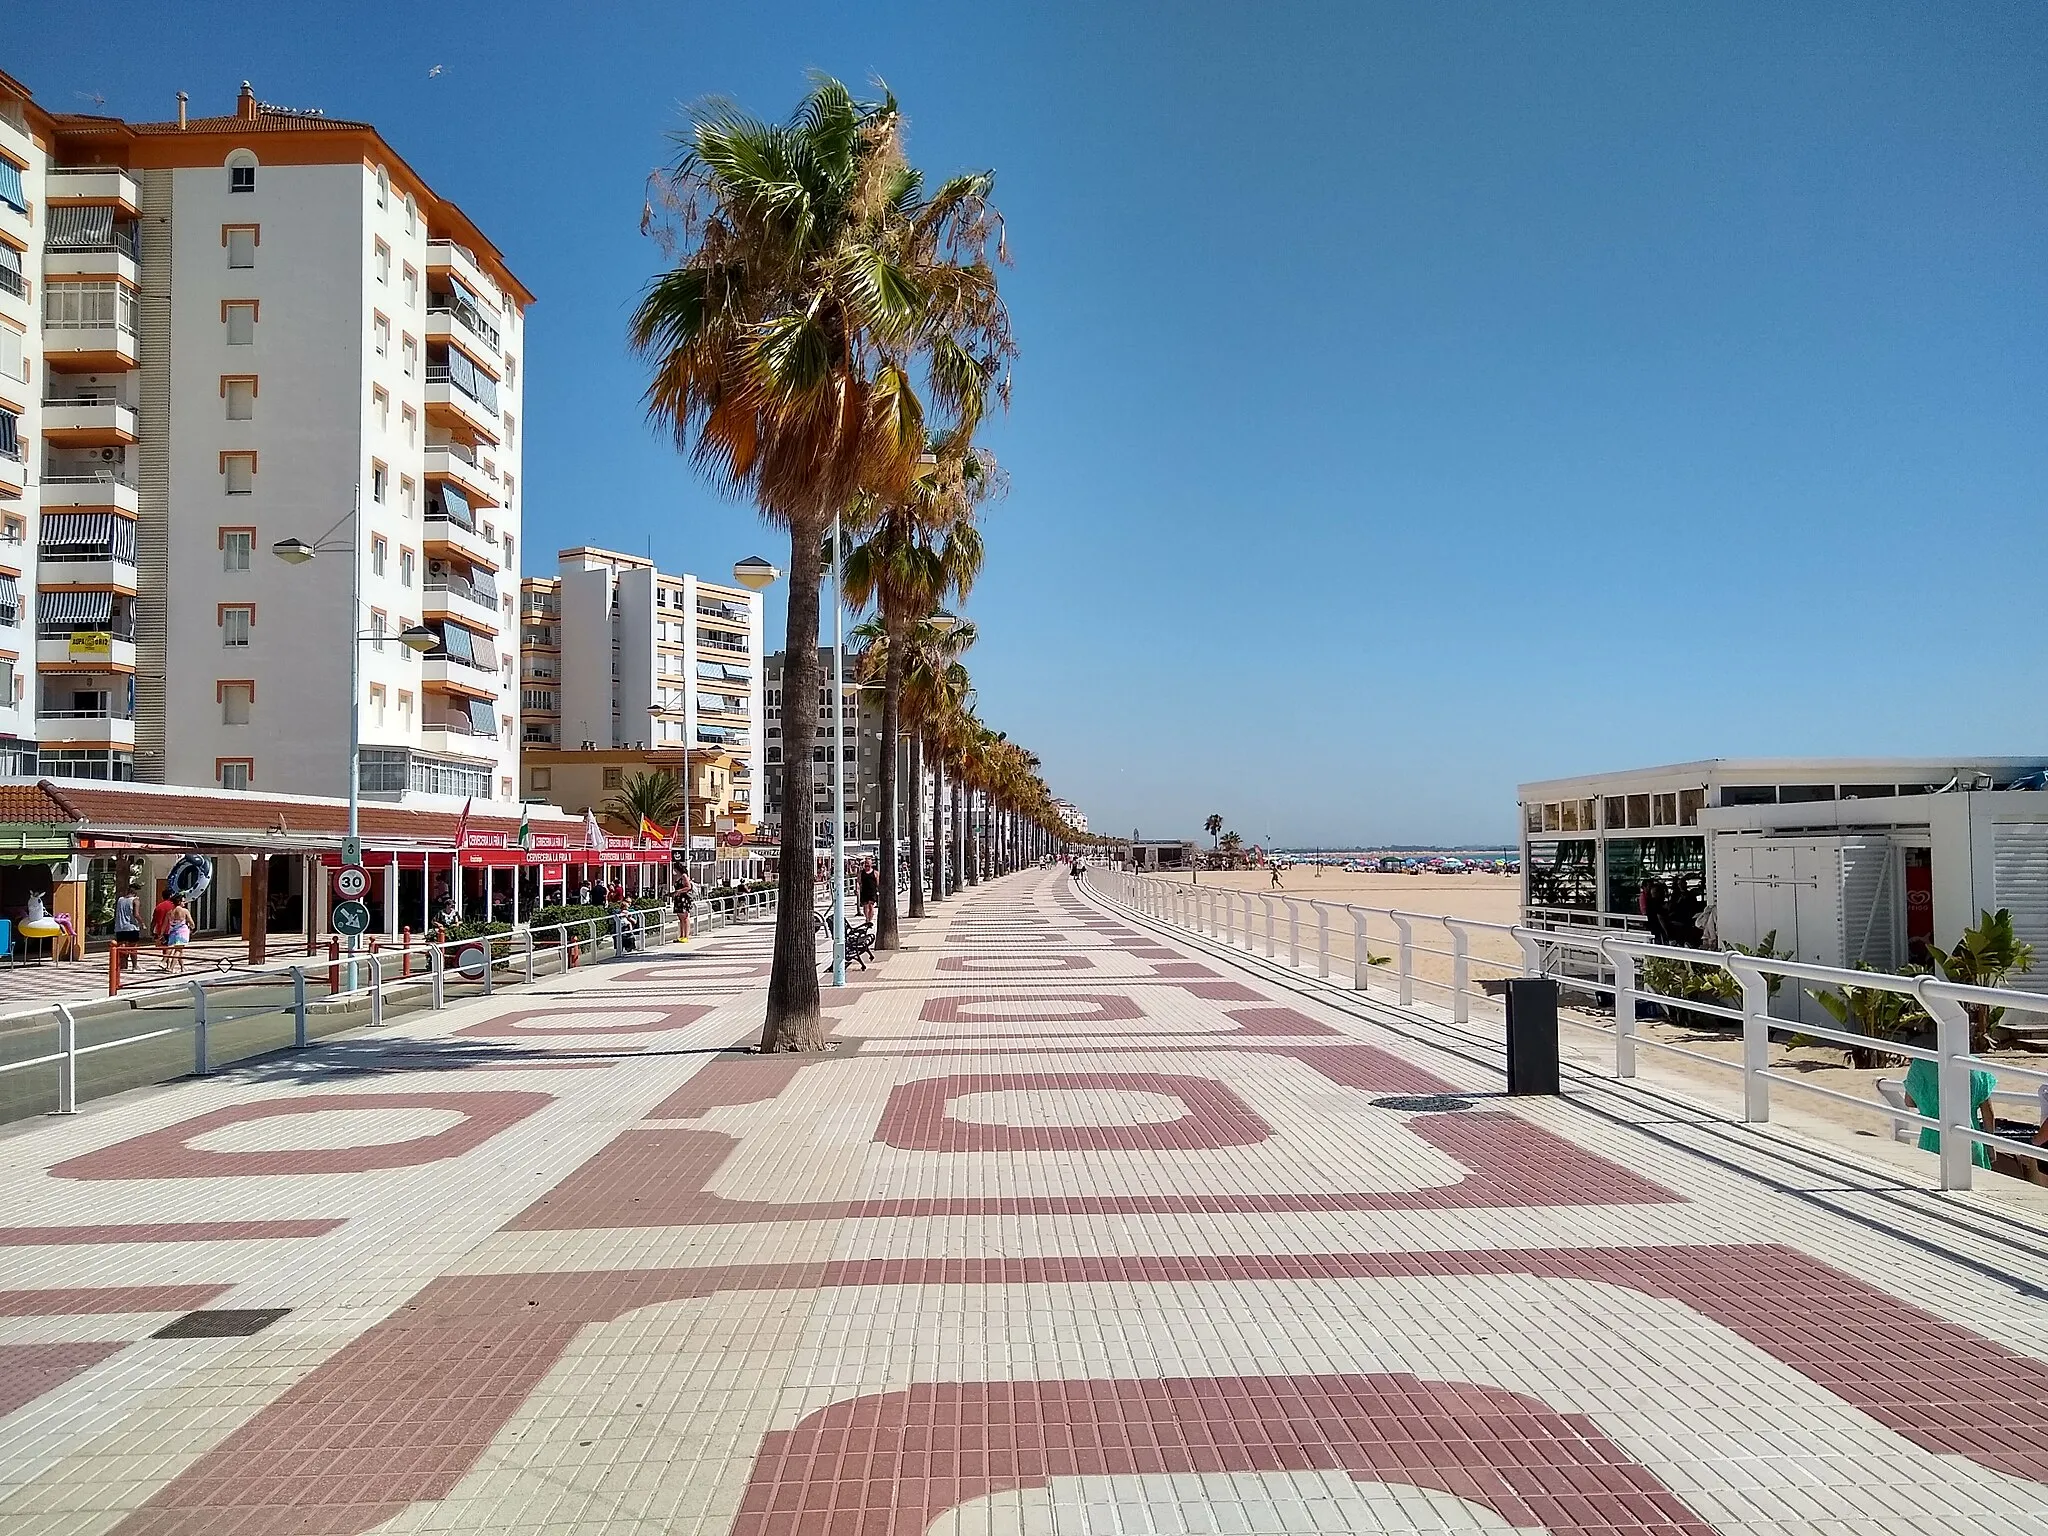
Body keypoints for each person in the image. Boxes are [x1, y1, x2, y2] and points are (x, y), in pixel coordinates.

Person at [1902, 1056, 1999, 1171]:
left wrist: (1929, 1104)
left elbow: (1909, 1102)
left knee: (1931, 1179)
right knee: (1973, 1181)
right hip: (1969, 1135)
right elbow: (1987, 1113)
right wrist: (1990, 1145)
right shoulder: (1976, 1065)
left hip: (1933, 1136)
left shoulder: (1920, 1064)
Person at [113, 888, 142, 972]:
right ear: (135, 893)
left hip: (120, 927)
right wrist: (142, 923)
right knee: (133, 947)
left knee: (122, 947)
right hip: (131, 927)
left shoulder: (120, 900)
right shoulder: (135, 900)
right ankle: (134, 966)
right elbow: (136, 914)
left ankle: (123, 965)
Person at [164, 898, 193, 973]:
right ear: (179, 902)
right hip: (182, 932)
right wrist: (192, 927)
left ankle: (182, 967)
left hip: (172, 931)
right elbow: (191, 922)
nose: (184, 903)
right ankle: (171, 968)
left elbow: (165, 924)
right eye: (183, 901)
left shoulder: (170, 912)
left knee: (176, 949)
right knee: (178, 950)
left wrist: (161, 933)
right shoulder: (184, 911)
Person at [151, 890, 177, 972]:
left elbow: (154, 920)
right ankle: (167, 964)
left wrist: (152, 930)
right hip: (171, 929)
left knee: (165, 948)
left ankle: (167, 964)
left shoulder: (158, 906)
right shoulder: (173, 906)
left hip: (160, 930)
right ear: (170, 896)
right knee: (173, 947)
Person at [856, 858, 880, 928]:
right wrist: (857, 889)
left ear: (871, 865)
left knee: (871, 906)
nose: (867, 866)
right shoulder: (861, 873)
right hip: (864, 891)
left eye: (868, 865)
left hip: (872, 891)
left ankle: (870, 920)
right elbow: (858, 881)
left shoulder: (875, 873)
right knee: (865, 906)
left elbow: (878, 883)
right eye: (866, 865)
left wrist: (879, 891)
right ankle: (867, 919)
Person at [672, 871, 695, 940]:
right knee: (680, 918)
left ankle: (686, 936)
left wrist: (679, 891)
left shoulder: (684, 876)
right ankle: (681, 935)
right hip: (678, 899)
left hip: (684, 899)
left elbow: (688, 887)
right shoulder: (677, 877)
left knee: (685, 917)